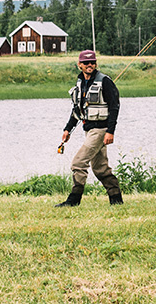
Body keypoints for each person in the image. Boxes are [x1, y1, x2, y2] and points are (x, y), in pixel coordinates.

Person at [56, 49, 124, 207]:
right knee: (100, 169)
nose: (90, 65)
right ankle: (116, 200)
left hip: (100, 131)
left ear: (96, 64)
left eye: (92, 62)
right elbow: (76, 110)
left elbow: (114, 107)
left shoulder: (105, 81)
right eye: (86, 63)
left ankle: (74, 200)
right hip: (88, 130)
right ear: (79, 65)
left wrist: (110, 132)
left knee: (78, 163)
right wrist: (68, 130)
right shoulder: (80, 83)